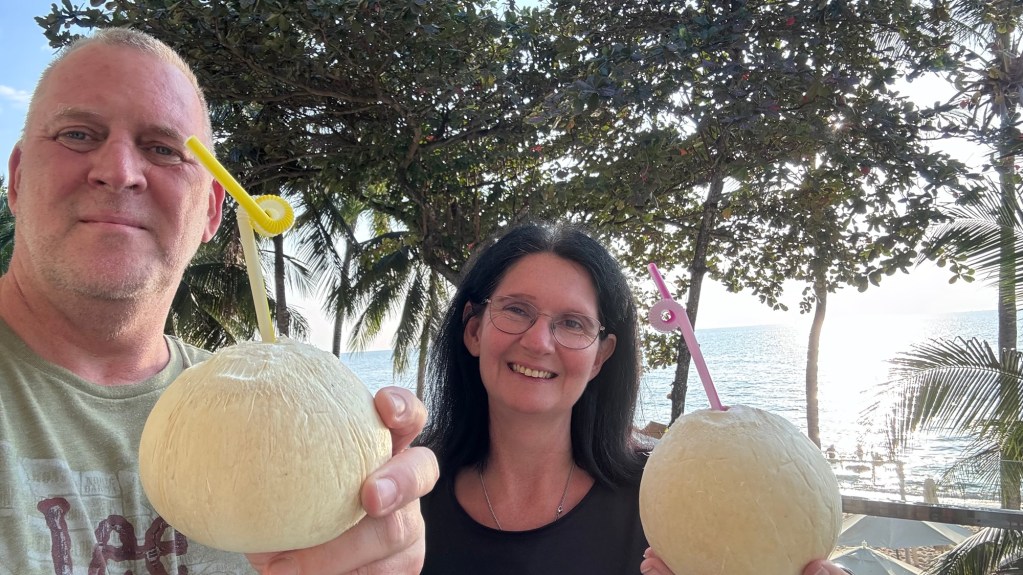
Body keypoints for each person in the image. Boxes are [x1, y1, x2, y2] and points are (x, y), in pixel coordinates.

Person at [0, 28, 437, 574]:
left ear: (211, 210)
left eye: (163, 149)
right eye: (77, 135)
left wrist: (378, 548)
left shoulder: (271, 428)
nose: (118, 172)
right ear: (17, 179)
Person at [415, 220, 854, 575]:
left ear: (601, 356)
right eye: (516, 310)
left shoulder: (672, 504)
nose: (539, 342)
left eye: (573, 323)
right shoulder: (407, 496)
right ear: (474, 330)